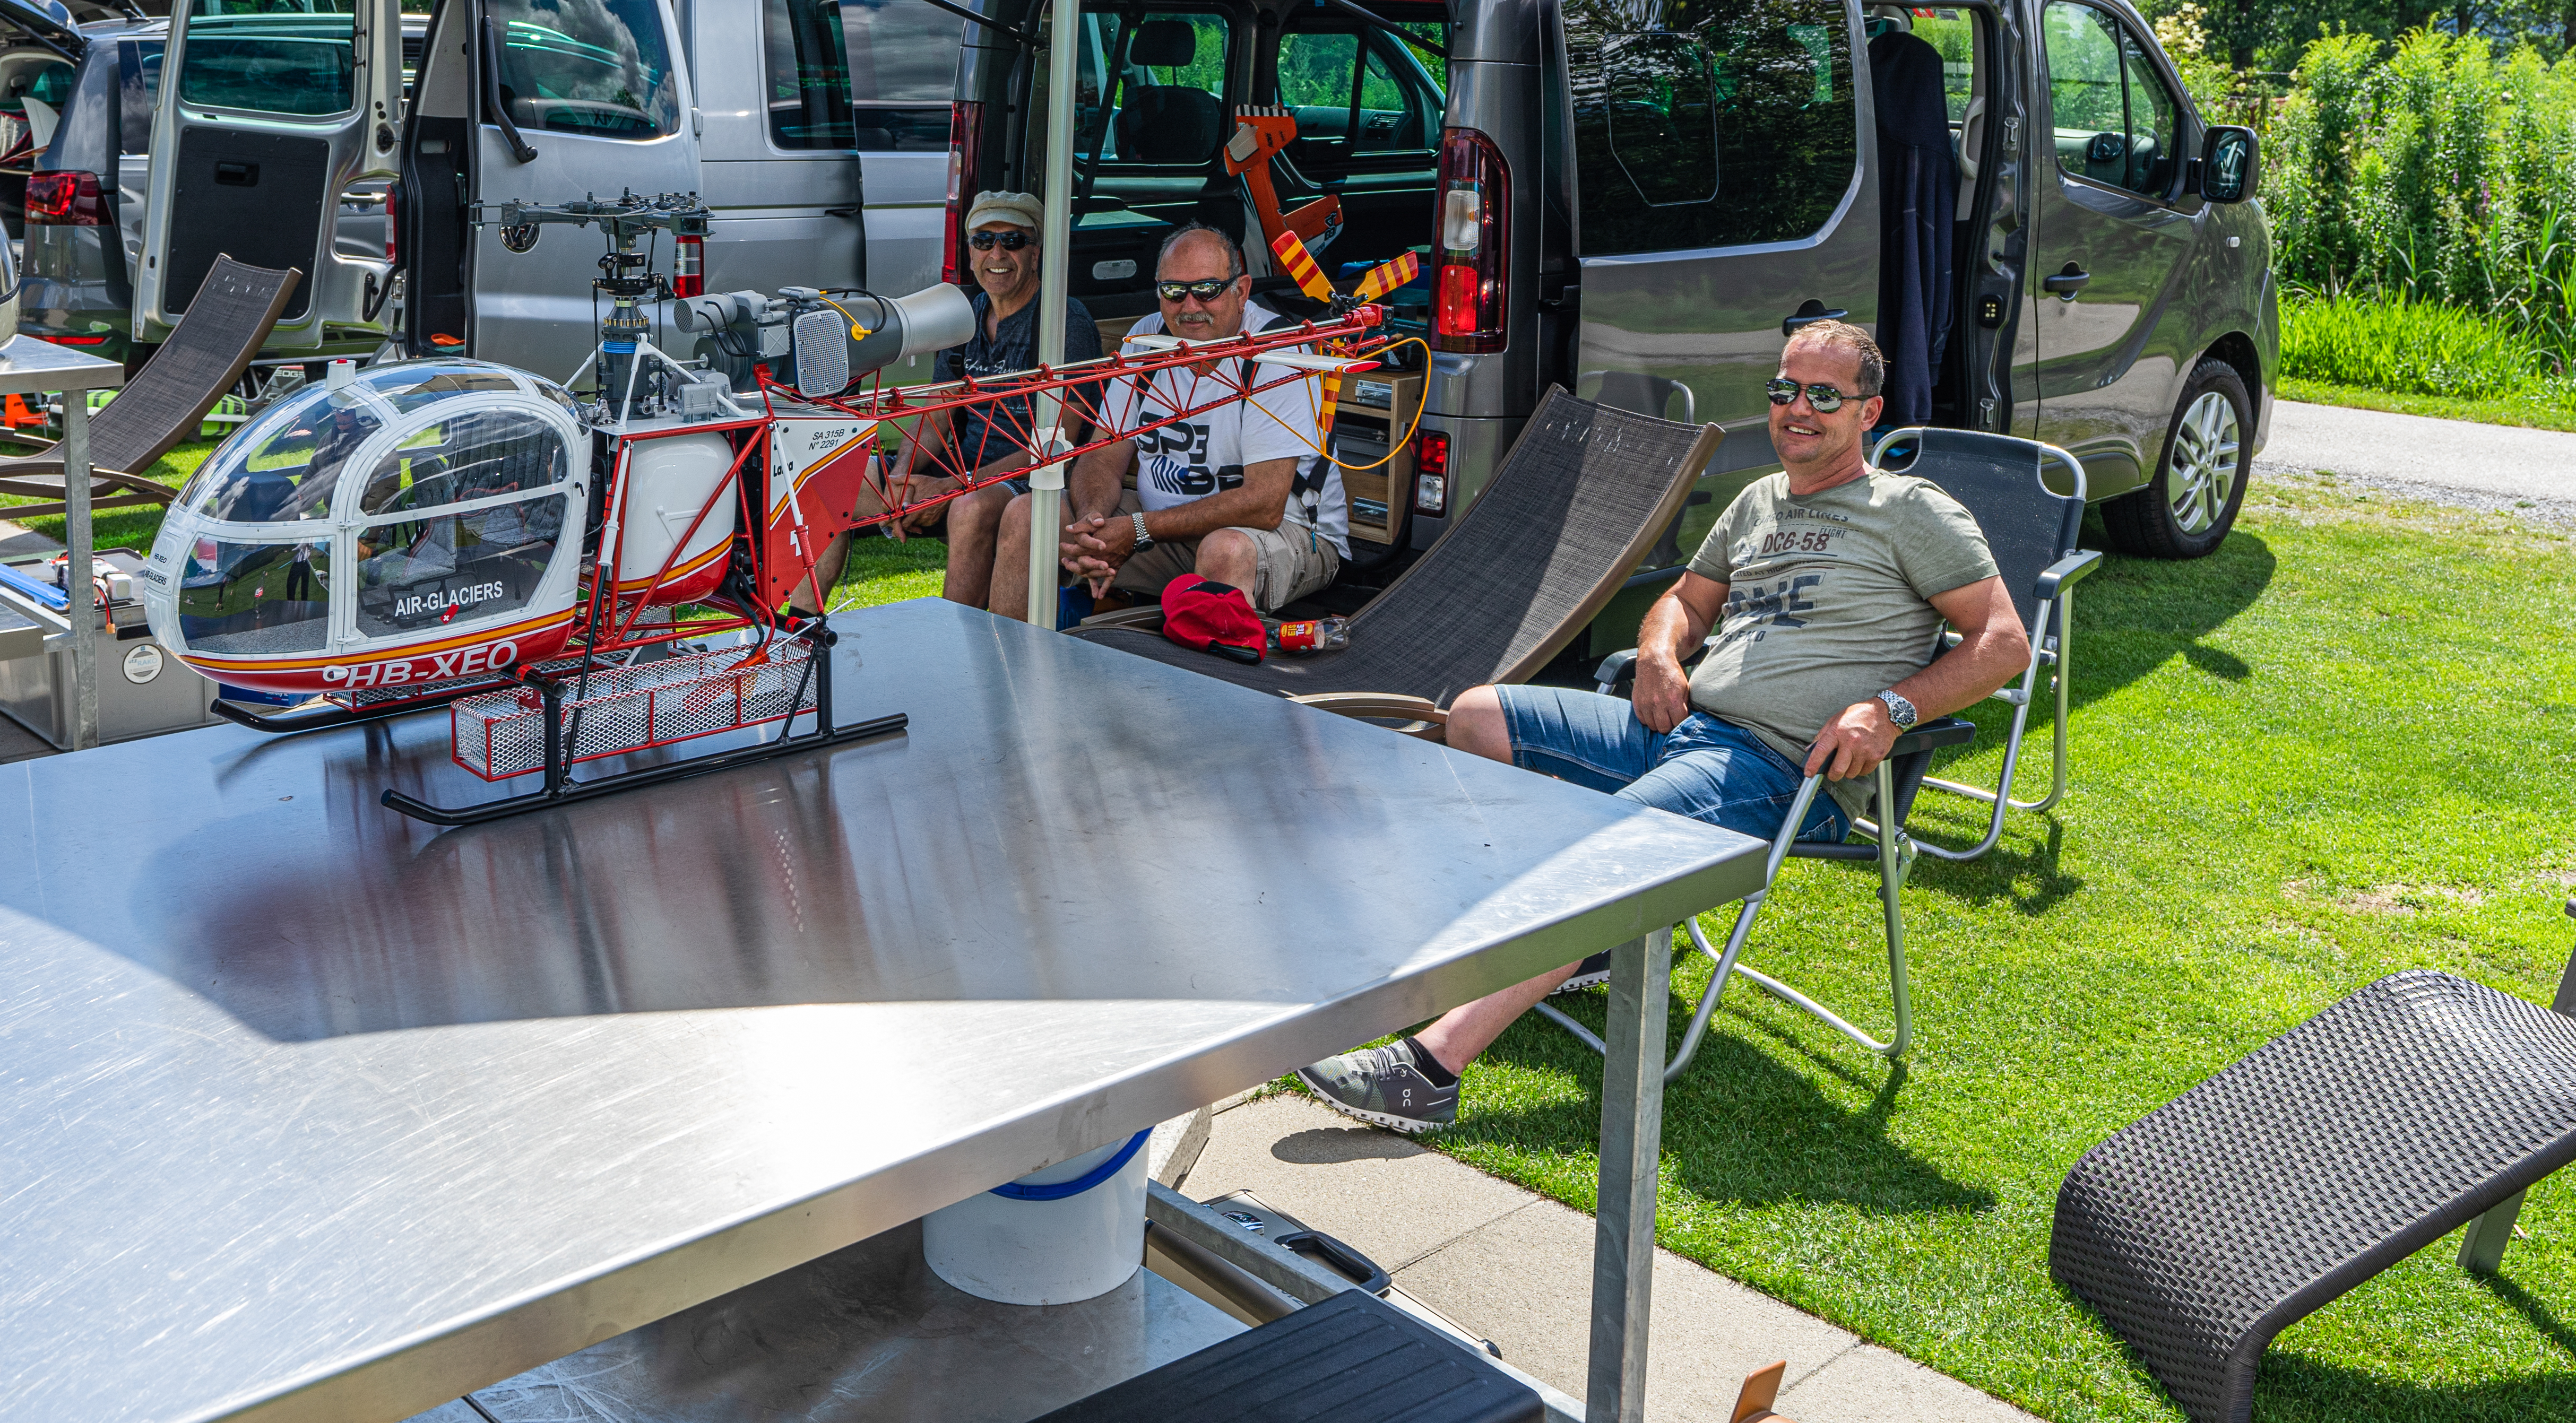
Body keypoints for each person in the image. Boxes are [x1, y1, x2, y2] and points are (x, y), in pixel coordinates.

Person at [1292, 318, 2030, 1134]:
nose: (1799, 409)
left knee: (1602, 845)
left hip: (1781, 771)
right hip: (1683, 728)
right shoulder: (1758, 501)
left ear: (1869, 411)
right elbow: (1685, 601)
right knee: (1475, 716)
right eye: (1785, 389)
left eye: (1825, 395)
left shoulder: (1911, 510)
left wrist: (1889, 711)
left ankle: (1429, 1072)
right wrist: (1657, 654)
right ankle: (1578, 942)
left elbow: (2004, 643)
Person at [1001, 222, 1349, 623]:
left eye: (1207, 289)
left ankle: (1216, 666)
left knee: (1224, 551)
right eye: (1173, 291)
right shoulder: (1148, 338)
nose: (1189, 305)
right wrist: (1092, 524)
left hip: (1284, 534)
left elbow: (1265, 504)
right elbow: (1102, 455)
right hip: (1162, 529)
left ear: (1242, 290)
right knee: (1028, 516)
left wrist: (1137, 529)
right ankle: (1013, 657)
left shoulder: (1276, 352)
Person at [817, 192, 1096, 608]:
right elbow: (936, 417)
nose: (996, 253)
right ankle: (799, 627)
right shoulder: (966, 313)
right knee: (830, 478)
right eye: (983, 241)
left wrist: (951, 487)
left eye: (1013, 241)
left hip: (1031, 480)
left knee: (968, 507)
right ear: (970, 252)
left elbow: (1057, 445)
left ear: (1036, 254)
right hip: (963, 473)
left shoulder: (1063, 322)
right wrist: (901, 482)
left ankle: (957, 638)